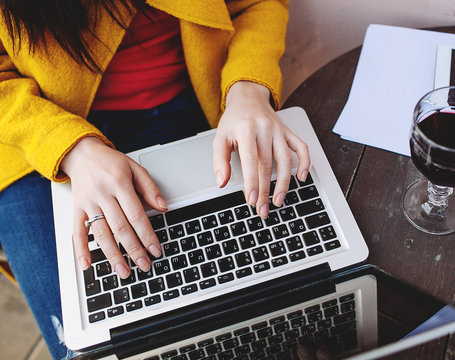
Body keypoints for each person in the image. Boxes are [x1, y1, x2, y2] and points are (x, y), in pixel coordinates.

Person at [0, 0, 310, 358]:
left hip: (195, 97)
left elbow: (259, 3)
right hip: (38, 126)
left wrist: (248, 88)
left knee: (255, 303)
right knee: (89, 343)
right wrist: (70, 148)